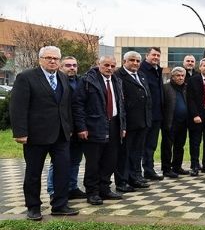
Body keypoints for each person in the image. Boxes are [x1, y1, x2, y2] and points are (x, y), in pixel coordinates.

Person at [10, 45, 79, 220]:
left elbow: (66, 106)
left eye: (55, 58)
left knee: (62, 170)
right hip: (36, 135)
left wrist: (69, 128)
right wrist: (20, 132)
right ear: (40, 59)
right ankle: (33, 207)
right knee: (34, 172)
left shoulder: (62, 78)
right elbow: (18, 107)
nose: (52, 61)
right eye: (48, 58)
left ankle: (60, 204)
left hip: (61, 135)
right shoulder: (26, 77)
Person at [74, 55, 127, 204]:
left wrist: (123, 126)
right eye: (106, 65)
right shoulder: (87, 81)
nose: (109, 68)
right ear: (98, 64)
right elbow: (78, 105)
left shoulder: (117, 81)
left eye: (112, 66)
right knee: (93, 162)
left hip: (114, 125)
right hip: (94, 126)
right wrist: (81, 127)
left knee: (110, 160)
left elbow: (121, 106)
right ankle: (92, 192)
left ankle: (105, 189)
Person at [47, 56, 85, 199]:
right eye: (68, 65)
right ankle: (53, 190)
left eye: (74, 65)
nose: (72, 68)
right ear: (60, 67)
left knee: (75, 159)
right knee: (58, 161)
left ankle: (72, 187)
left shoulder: (81, 81)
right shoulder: (56, 82)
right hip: (62, 128)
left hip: (79, 128)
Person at [115, 51, 152, 192]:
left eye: (137, 61)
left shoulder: (141, 75)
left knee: (137, 152)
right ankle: (122, 181)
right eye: (132, 60)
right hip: (128, 123)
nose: (135, 63)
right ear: (124, 61)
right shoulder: (118, 76)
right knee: (124, 153)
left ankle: (135, 177)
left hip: (142, 121)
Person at [139, 46, 164, 181]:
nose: (156, 57)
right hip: (144, 115)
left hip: (156, 114)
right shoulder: (141, 70)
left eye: (158, 55)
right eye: (153, 55)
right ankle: (138, 172)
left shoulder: (157, 71)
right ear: (147, 55)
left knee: (151, 145)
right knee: (141, 145)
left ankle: (149, 169)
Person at [161, 66, 190, 178]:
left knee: (180, 146)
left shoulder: (186, 88)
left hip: (183, 122)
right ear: (172, 77)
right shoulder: (165, 88)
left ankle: (177, 166)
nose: (180, 78)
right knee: (167, 147)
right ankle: (166, 169)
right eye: (178, 75)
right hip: (170, 122)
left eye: (182, 76)